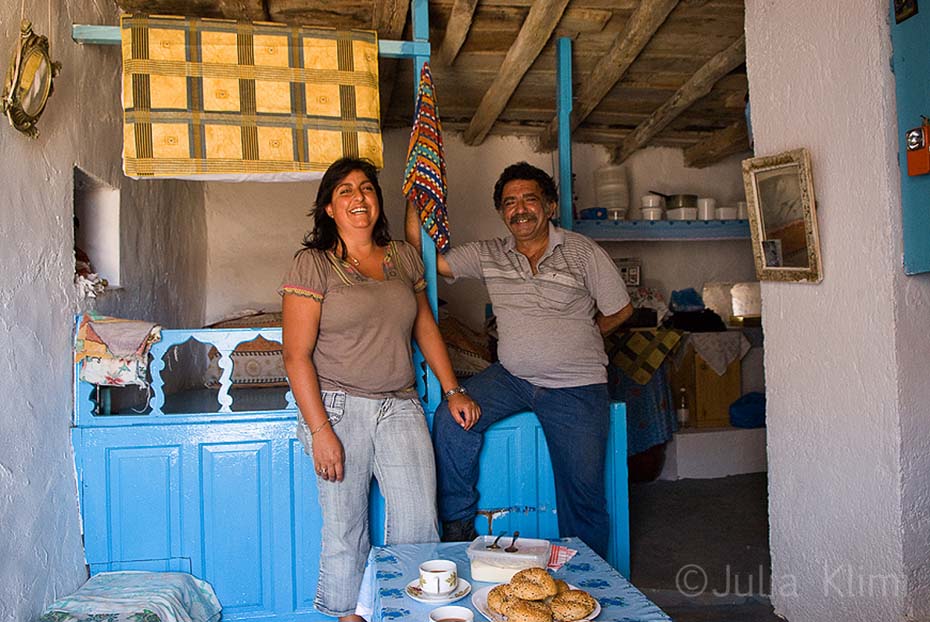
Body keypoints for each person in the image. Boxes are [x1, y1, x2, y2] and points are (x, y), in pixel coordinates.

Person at [281, 157, 481, 622]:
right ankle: (350, 616)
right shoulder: (312, 264)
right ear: (329, 207)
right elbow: (295, 355)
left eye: (367, 188)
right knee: (345, 527)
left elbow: (425, 326)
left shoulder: (402, 257)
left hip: (400, 405)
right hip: (336, 407)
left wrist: (453, 390)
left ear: (377, 200)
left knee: (418, 522)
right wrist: (321, 431)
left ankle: (410, 613)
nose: (358, 197)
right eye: (346, 190)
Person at [405, 162, 632, 558]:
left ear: (548, 205)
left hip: (576, 386)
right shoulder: (490, 254)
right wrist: (416, 193)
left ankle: (589, 580)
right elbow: (428, 257)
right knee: (451, 419)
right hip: (511, 378)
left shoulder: (582, 252)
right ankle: (457, 523)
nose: (520, 209)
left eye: (529, 199)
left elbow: (621, 309)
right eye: (510, 202)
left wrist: (583, 333)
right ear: (501, 212)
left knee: (584, 496)